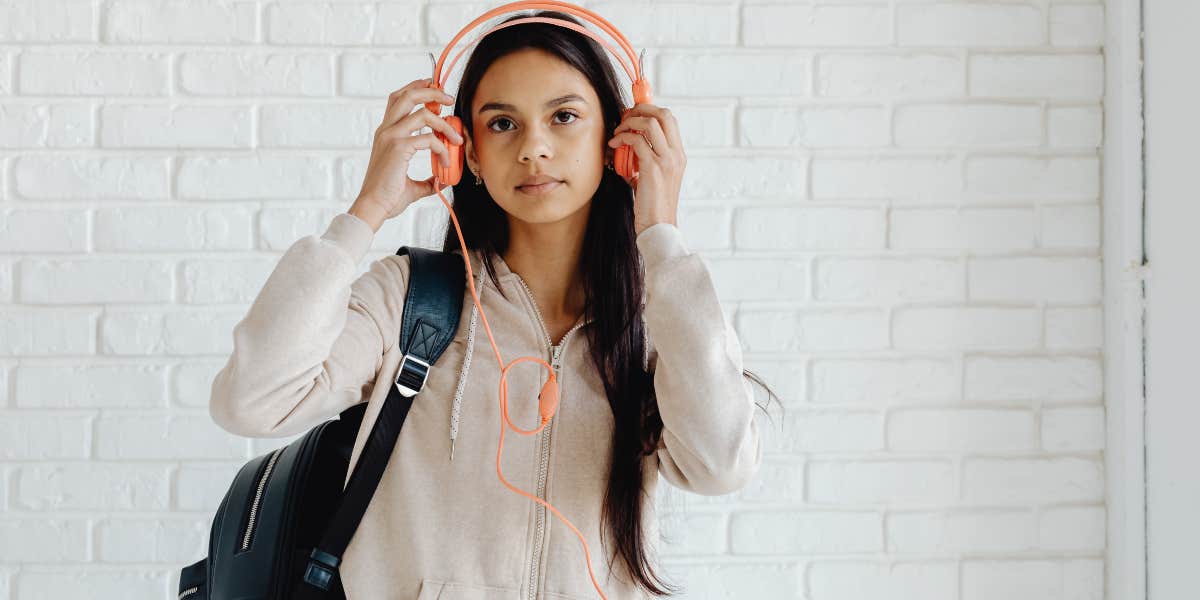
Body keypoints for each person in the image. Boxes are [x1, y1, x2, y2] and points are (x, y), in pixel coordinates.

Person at [209, 9, 782, 600]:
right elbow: (251, 402)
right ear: (468, 156)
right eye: (503, 123)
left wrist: (660, 232)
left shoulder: (658, 320)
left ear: (617, 142)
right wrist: (366, 211)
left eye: (564, 117)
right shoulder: (409, 301)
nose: (535, 147)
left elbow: (720, 466)